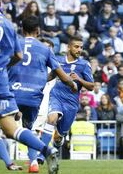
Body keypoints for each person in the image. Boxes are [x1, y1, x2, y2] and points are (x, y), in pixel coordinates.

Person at [0, 0, 59, 174]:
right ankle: (47, 151)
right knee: (11, 129)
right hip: (0, 82)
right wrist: (2, 66)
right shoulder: (8, 25)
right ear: (0, 3)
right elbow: (18, 55)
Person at [40, 35, 94, 163]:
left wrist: (79, 80)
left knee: (58, 136)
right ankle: (41, 155)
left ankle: (56, 148)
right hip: (56, 96)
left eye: (81, 47)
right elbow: (52, 75)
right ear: (68, 47)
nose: (79, 49)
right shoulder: (58, 60)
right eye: (76, 47)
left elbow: (91, 86)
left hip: (71, 103)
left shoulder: (84, 65)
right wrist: (39, 81)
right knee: (51, 118)